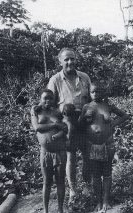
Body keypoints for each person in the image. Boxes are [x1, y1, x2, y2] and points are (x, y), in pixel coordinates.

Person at [47, 47, 91, 202]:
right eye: (66, 59)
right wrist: (59, 121)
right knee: (71, 156)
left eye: (72, 58)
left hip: (85, 120)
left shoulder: (84, 77)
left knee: (87, 155)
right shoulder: (55, 80)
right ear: (60, 61)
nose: (70, 62)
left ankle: (87, 187)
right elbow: (49, 106)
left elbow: (92, 100)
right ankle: (73, 190)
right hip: (67, 122)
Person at [79, 82, 129, 213]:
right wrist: (85, 117)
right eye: (93, 92)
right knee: (96, 174)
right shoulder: (86, 107)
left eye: (99, 91)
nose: (96, 94)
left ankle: (106, 200)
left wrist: (112, 123)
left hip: (107, 143)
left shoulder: (108, 106)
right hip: (92, 144)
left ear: (103, 93)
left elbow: (125, 116)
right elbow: (80, 125)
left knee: (107, 173)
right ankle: (98, 202)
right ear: (89, 93)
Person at [31, 89, 68, 213]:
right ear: (40, 98)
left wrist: (61, 129)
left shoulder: (58, 112)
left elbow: (65, 128)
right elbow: (37, 128)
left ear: (54, 100)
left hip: (60, 151)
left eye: (50, 98)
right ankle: (45, 212)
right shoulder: (36, 111)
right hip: (45, 152)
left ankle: (60, 210)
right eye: (45, 98)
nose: (47, 101)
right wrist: (55, 124)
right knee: (47, 182)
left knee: (60, 181)